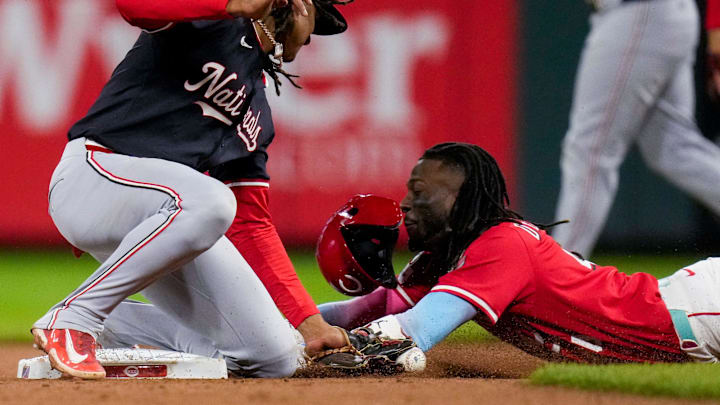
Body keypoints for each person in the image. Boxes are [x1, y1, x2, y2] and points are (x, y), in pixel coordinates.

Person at [31, 0, 351, 379]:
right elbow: (133, 6)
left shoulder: (258, 113)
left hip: (161, 216)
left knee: (274, 357)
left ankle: (110, 317)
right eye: (318, 17)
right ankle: (75, 317)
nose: (313, 37)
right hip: (94, 178)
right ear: (297, 5)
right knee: (212, 201)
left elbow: (251, 224)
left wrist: (308, 321)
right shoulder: (214, 22)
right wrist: (230, 3)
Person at [318, 142, 720, 364]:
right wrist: (294, 321)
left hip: (700, 309)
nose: (405, 204)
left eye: (420, 193)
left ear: (462, 200)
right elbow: (371, 308)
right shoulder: (443, 258)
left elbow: (412, 331)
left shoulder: (501, 244)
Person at [552, 0, 720, 258]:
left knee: (590, 151)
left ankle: (558, 273)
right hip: (661, 15)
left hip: (637, 13)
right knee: (673, 147)